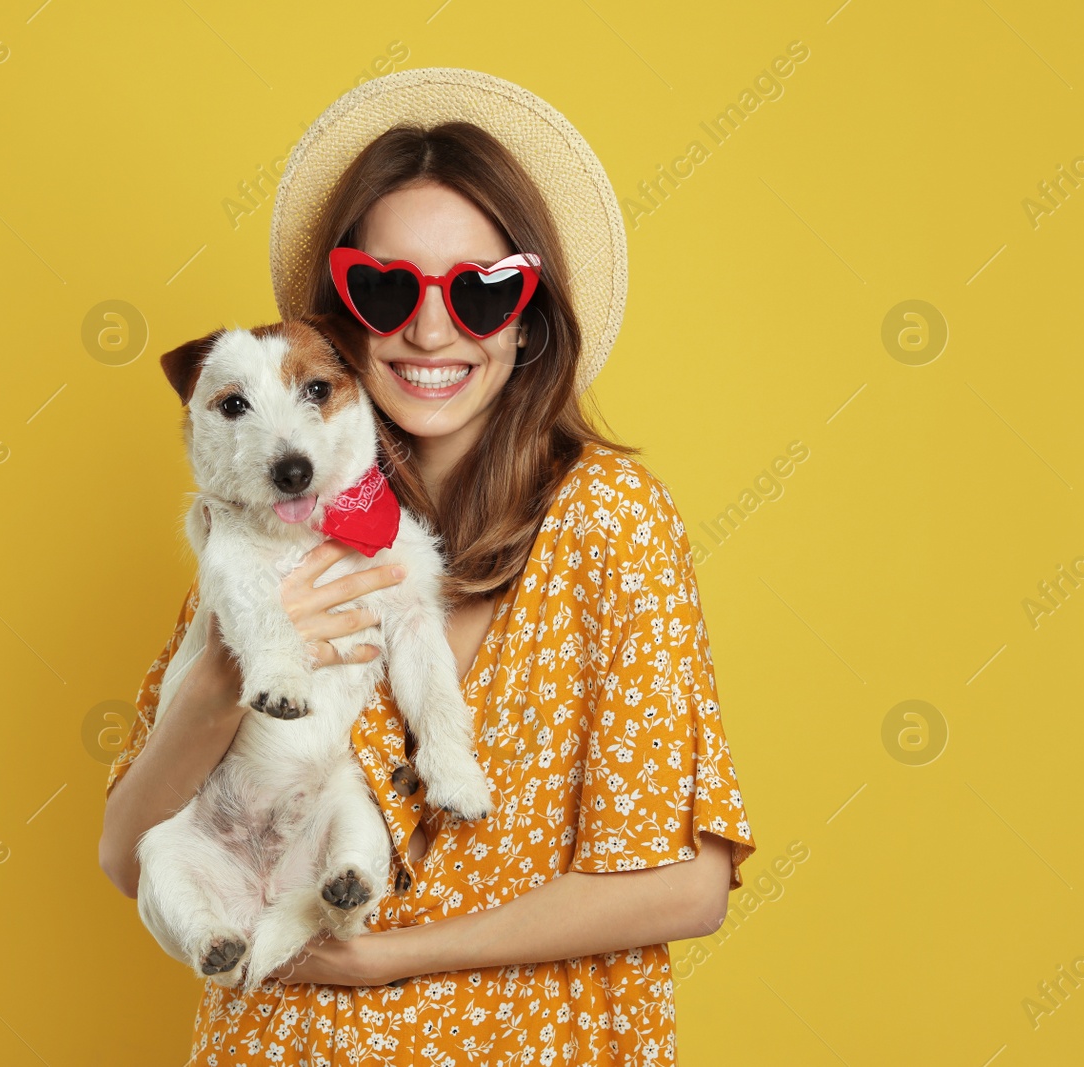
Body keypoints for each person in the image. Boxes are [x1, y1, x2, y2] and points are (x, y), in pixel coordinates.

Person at [100, 68, 756, 1066]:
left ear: (529, 318)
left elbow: (685, 884)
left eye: (482, 290)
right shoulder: (271, 520)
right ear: (338, 322)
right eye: (386, 286)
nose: (433, 327)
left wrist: (394, 958)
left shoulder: (608, 523)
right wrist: (227, 680)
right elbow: (126, 853)